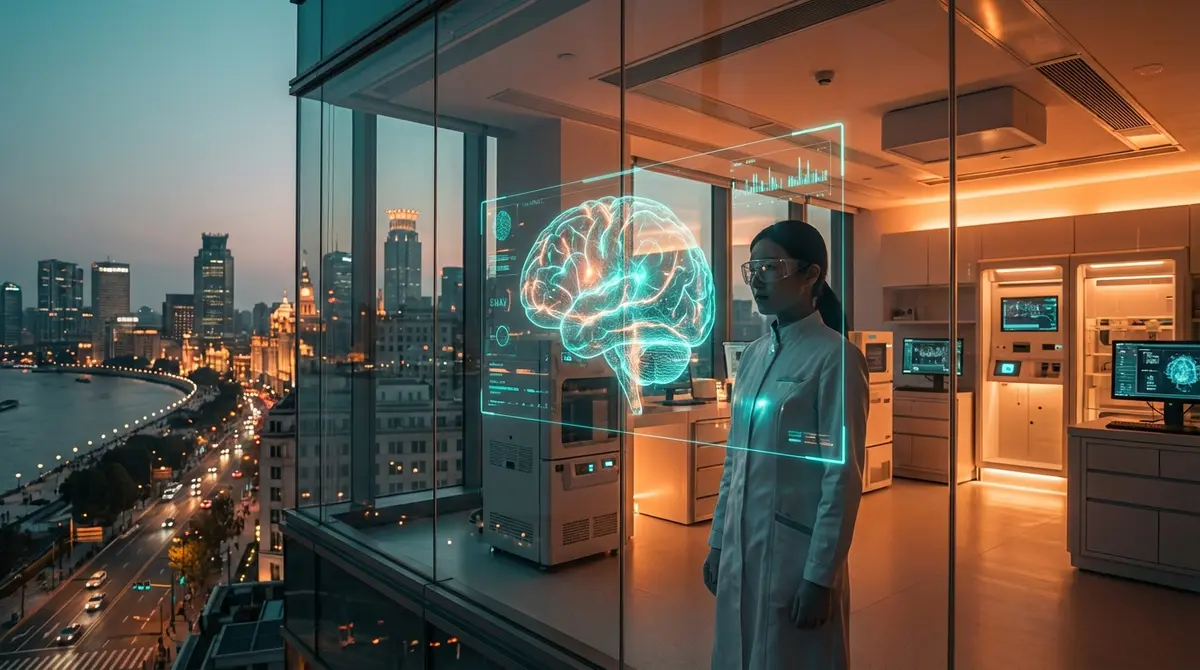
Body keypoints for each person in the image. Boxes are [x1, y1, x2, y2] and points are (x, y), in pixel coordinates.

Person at [703, 220, 869, 669]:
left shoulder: (836, 359)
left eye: (770, 266)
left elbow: (842, 478)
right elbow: (734, 463)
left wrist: (820, 576)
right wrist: (718, 541)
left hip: (795, 554)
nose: (757, 278)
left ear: (812, 274)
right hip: (743, 545)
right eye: (752, 267)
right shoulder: (755, 355)